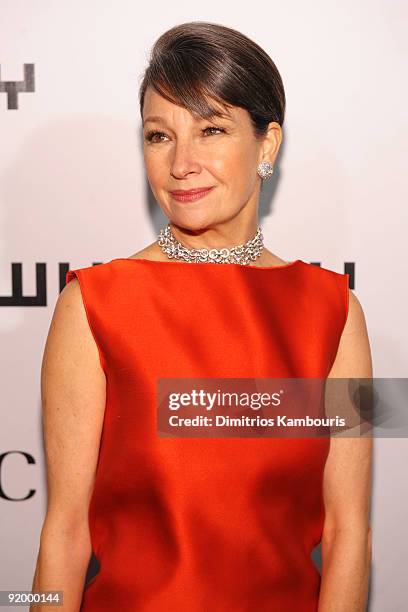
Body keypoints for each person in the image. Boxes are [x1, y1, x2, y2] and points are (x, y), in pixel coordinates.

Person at [31, 21, 373, 612]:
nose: (182, 163)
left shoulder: (338, 312)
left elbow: (349, 532)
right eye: (159, 136)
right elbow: (64, 533)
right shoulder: (91, 304)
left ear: (267, 146)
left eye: (211, 129)